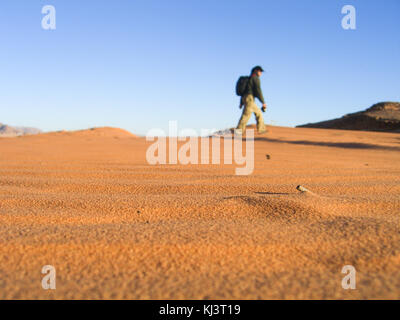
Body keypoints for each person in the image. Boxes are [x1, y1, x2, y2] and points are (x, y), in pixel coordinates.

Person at [236, 66, 267, 134]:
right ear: (255, 71)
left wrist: (241, 103)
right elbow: (258, 91)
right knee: (246, 115)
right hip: (249, 99)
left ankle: (262, 130)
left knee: (259, 113)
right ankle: (238, 132)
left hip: (246, 98)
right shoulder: (255, 78)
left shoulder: (249, 79)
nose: (261, 73)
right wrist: (263, 102)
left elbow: (244, 92)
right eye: (260, 71)